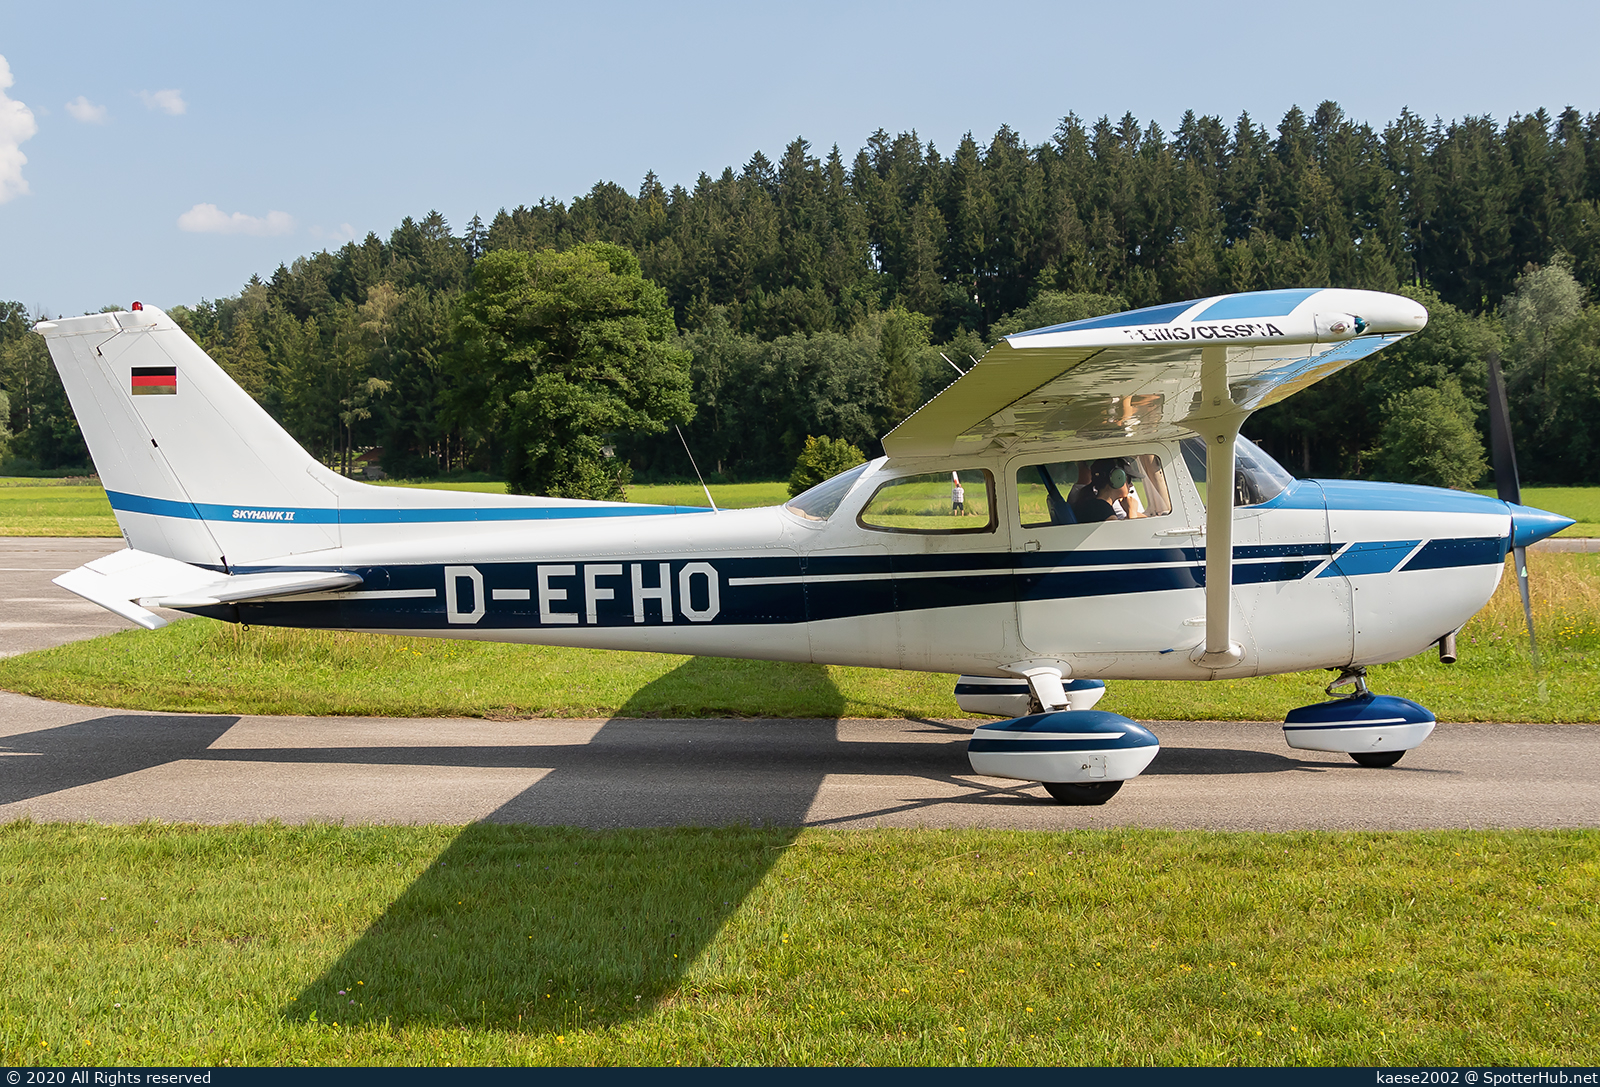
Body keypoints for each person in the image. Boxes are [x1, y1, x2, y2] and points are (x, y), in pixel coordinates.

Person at [1071, 459, 1137, 523]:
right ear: (1117, 478)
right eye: (1129, 480)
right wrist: (1132, 511)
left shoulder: (1095, 505)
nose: (1131, 485)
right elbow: (1123, 533)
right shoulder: (1103, 510)